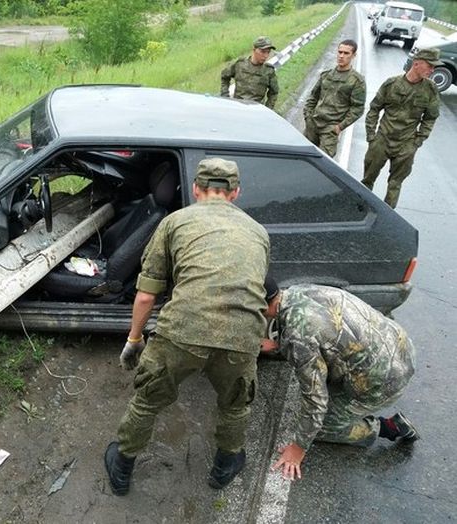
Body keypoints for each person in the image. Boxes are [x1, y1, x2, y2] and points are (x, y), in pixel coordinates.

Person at [104, 158, 271, 496]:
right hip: (242, 336)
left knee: (148, 400)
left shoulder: (174, 222)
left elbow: (146, 297)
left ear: (195, 189)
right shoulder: (258, 231)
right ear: (236, 193)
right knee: (235, 404)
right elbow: (259, 290)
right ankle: (225, 465)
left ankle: (122, 466)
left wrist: (134, 339)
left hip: (181, 330)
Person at [261, 279, 419, 481]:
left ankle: (386, 427)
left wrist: (298, 448)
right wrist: (279, 345)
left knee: (319, 428)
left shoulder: (298, 336)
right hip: (400, 348)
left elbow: (316, 402)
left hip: (383, 382)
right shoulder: (300, 290)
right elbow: (321, 333)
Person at [362, 48, 442, 208]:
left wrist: (417, 142)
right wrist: (372, 136)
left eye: (434, 67)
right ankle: (360, 209)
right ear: (417, 63)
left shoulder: (430, 89)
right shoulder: (392, 84)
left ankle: (387, 219)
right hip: (382, 140)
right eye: (430, 65)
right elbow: (374, 108)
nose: (432, 70)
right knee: (367, 180)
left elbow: (430, 118)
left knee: (395, 185)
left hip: (406, 145)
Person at [303, 39, 366, 157]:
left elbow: (357, 109)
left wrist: (339, 127)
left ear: (354, 55)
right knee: (303, 158)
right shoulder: (326, 75)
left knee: (324, 163)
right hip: (313, 123)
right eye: (340, 52)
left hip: (330, 128)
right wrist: (307, 116)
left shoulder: (357, 81)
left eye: (346, 53)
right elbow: (313, 97)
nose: (341, 56)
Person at [221, 36, 279, 109]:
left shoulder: (268, 71)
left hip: (256, 110)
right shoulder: (240, 64)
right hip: (238, 107)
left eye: (268, 52)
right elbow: (224, 76)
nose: (266, 56)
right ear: (254, 50)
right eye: (263, 52)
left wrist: (267, 109)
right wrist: (225, 96)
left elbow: (274, 92)